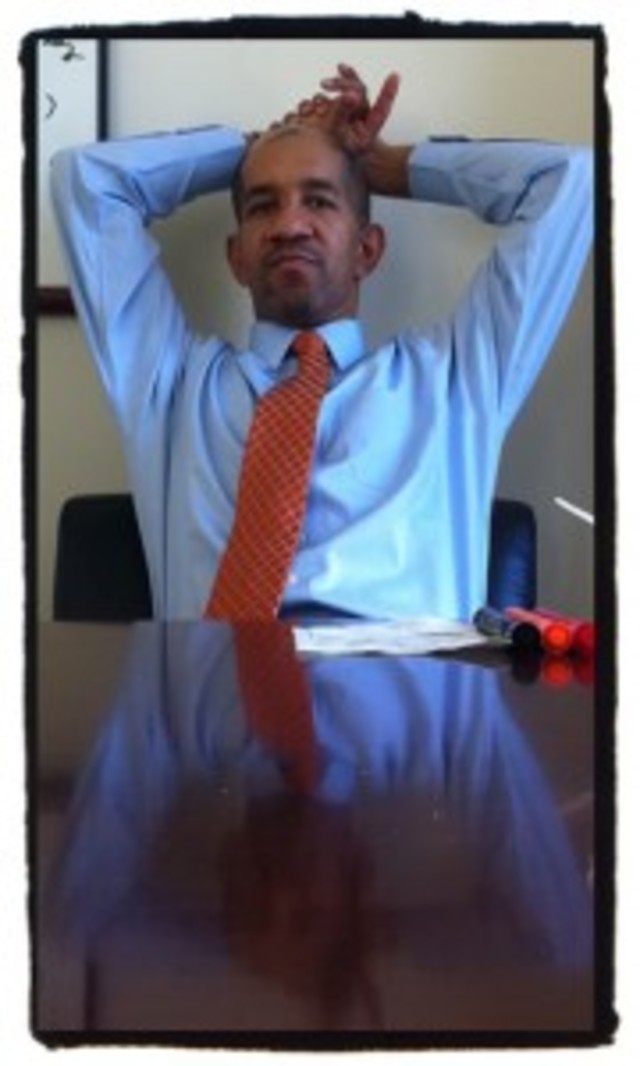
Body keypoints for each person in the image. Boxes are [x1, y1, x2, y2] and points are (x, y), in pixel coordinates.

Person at [50, 63, 593, 621]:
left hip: (403, 676)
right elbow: (85, 179)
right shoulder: (169, 388)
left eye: (319, 201)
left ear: (367, 250)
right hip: (213, 675)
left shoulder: (457, 381)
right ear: (237, 258)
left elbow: (568, 180)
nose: (289, 226)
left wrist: (386, 167)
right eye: (263, 205)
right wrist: (252, 147)